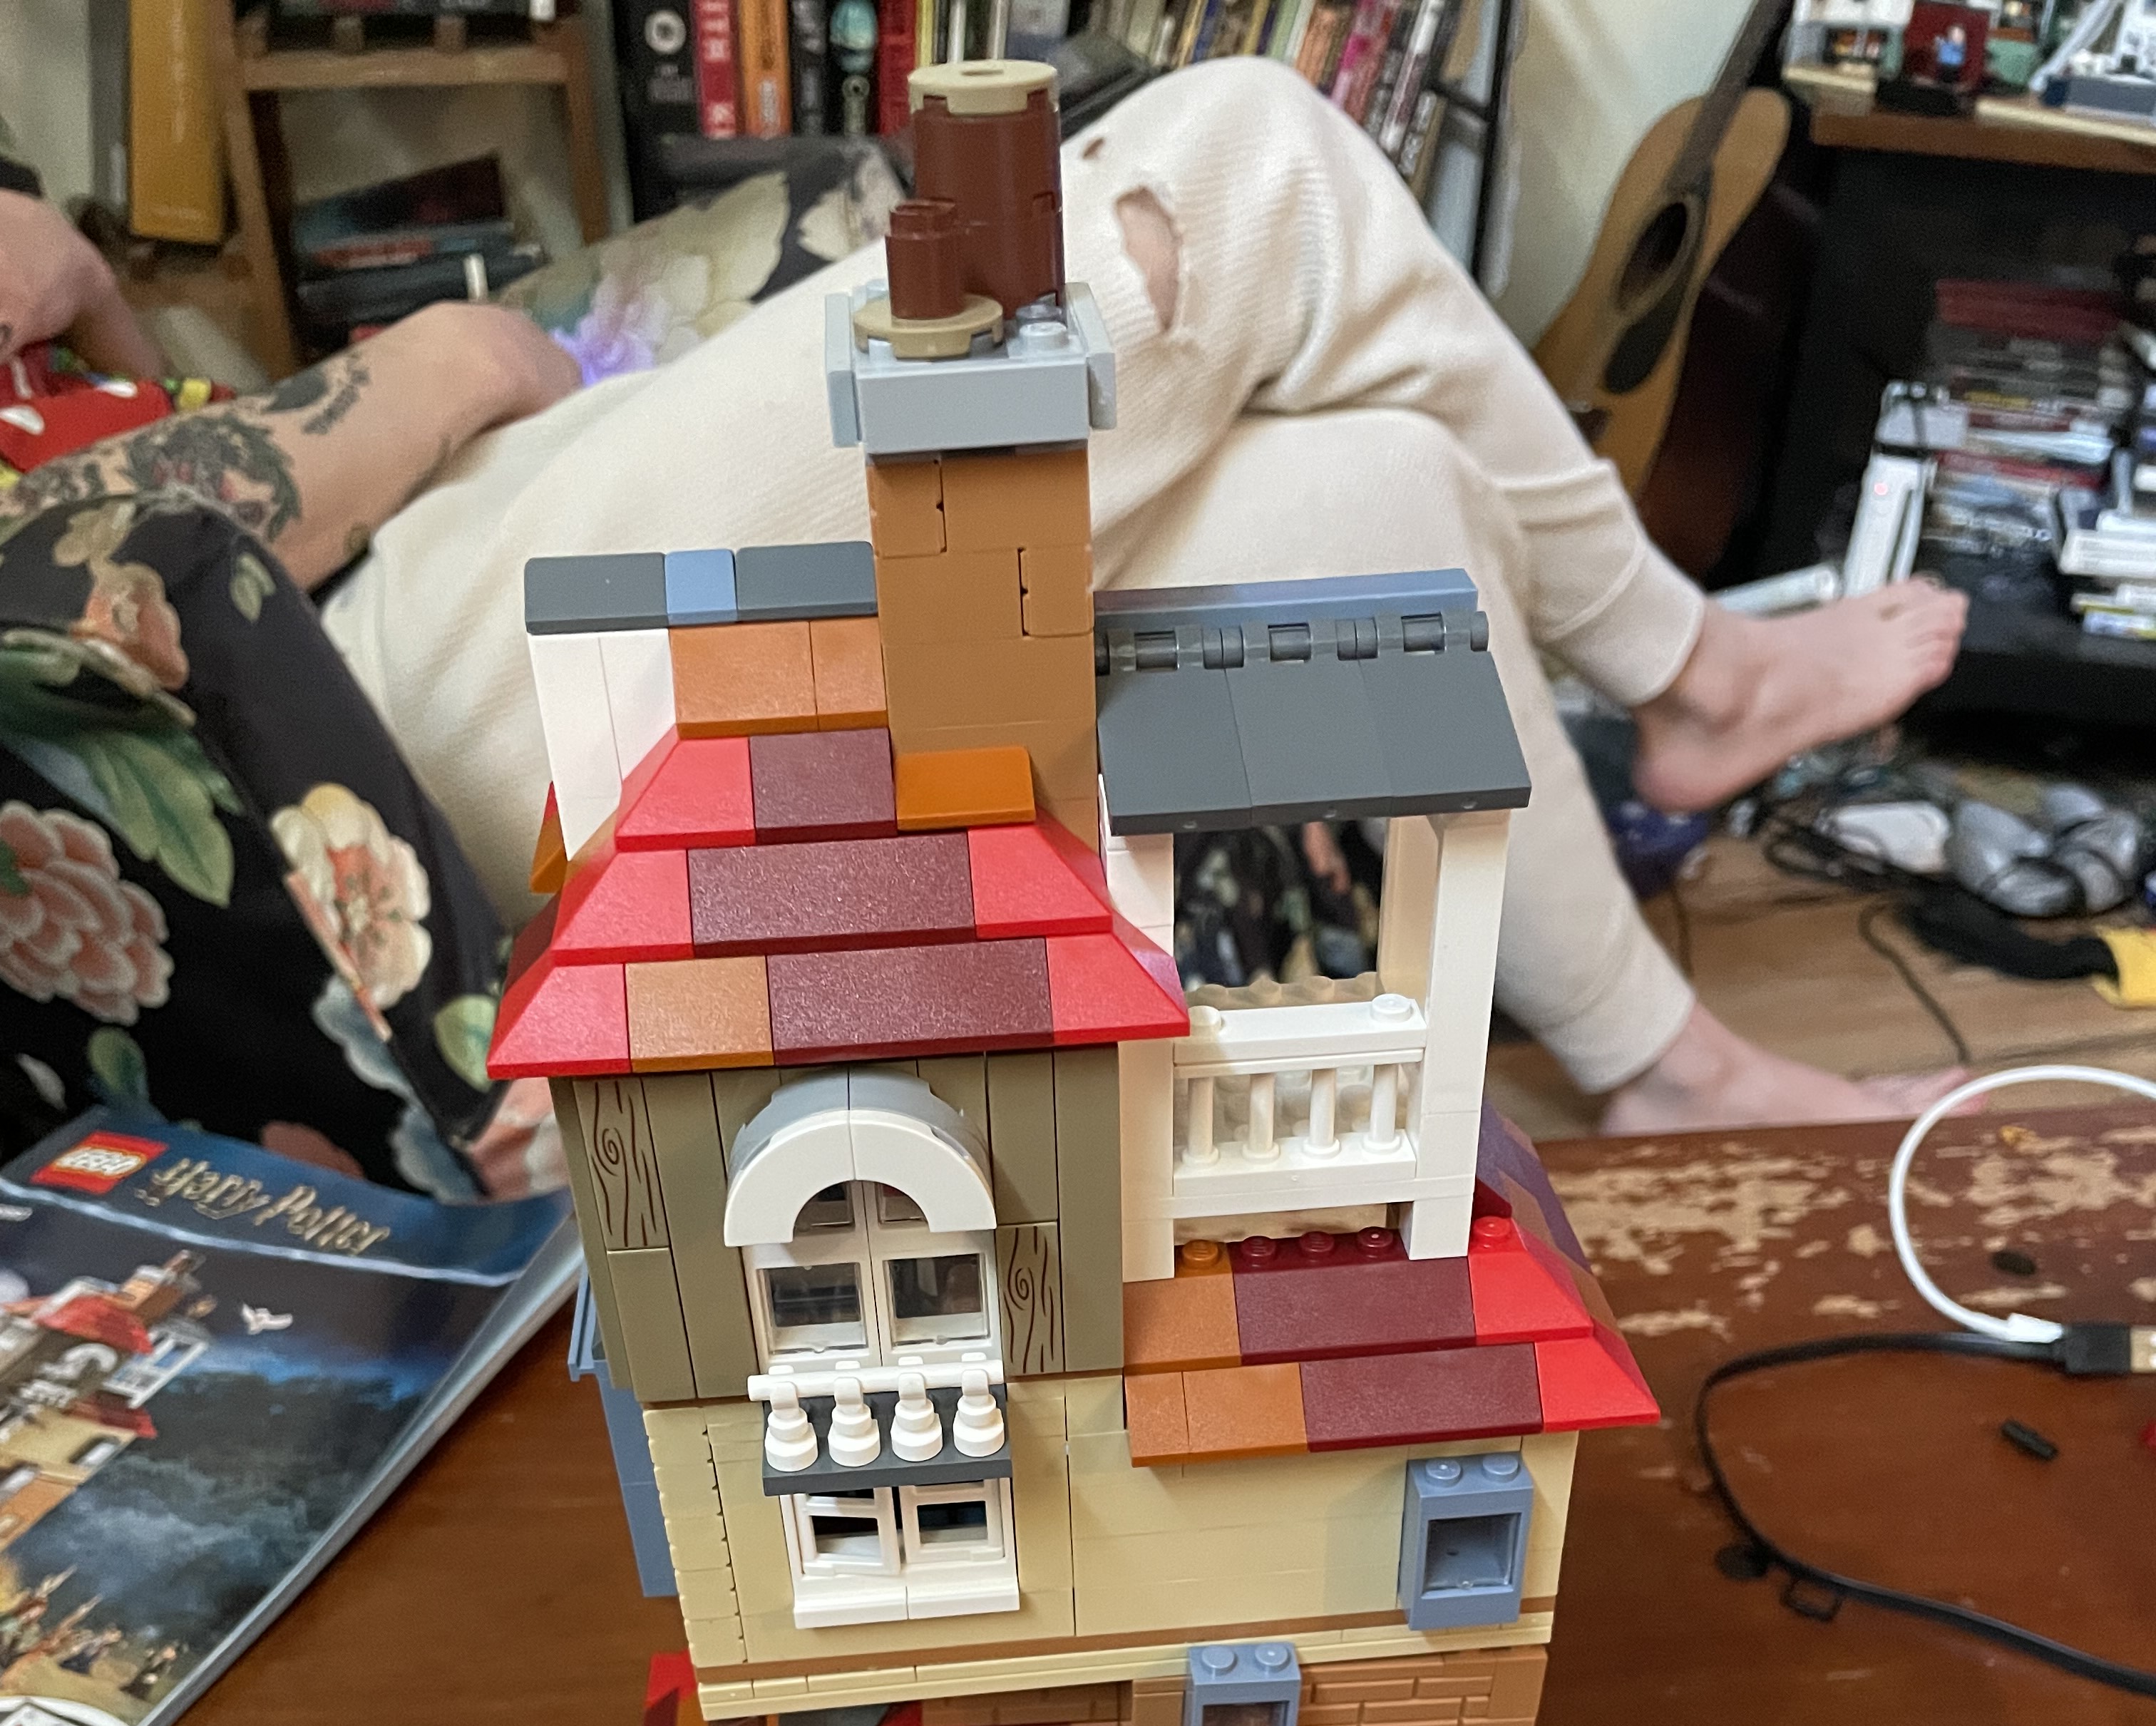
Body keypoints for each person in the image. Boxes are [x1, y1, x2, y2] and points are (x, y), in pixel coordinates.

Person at [3, 65, 1966, 1141]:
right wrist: (424, 366)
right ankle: (1696, 668)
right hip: (302, 696)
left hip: (354, 551)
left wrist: (92, 310)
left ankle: (1663, 1064)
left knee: (1387, 498)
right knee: (1244, 168)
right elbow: (137, 530)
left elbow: (93, 326)